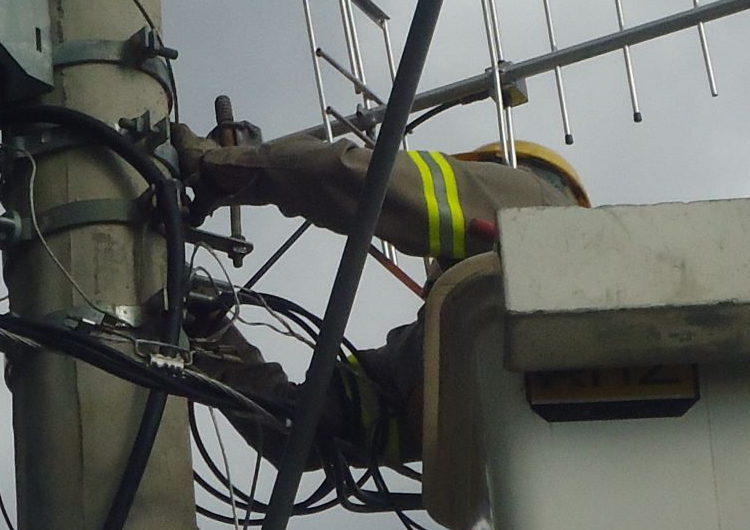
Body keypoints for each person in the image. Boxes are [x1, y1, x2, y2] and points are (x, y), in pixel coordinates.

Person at [172, 128, 588, 472]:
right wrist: (209, 333)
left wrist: (227, 166)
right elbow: (303, 432)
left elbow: (359, 179)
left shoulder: (534, 204)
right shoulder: (435, 351)